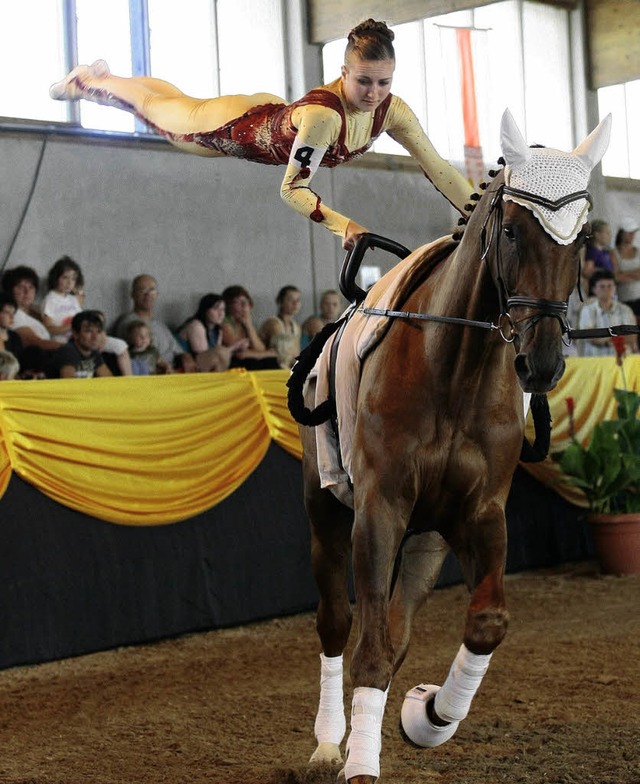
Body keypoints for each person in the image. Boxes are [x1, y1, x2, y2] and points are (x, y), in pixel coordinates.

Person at [49, 19, 472, 251]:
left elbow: (437, 168)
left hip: (270, 115)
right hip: (229, 128)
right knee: (155, 110)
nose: (373, 94)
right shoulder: (325, 119)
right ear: (344, 73)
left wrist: (480, 209)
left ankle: (110, 75)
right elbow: (293, 190)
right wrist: (344, 226)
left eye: (384, 83)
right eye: (364, 81)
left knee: (173, 100)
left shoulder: (392, 109)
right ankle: (85, 82)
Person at [115, 274, 198, 372]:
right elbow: (134, 359)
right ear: (133, 294)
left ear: (157, 294)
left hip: (176, 369)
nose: (148, 294)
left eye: (152, 290)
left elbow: (177, 350)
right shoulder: (128, 323)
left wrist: (186, 357)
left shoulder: (160, 324)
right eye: (143, 290)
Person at [1, 265, 61, 374]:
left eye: (31, 287)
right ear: (10, 290)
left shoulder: (35, 312)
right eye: (20, 287)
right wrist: (69, 348)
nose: (27, 292)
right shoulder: (14, 315)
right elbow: (32, 342)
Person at [175, 293, 247, 372]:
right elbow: (208, 355)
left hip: (204, 364)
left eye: (223, 309)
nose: (221, 314)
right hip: (183, 364)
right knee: (221, 353)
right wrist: (234, 347)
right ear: (205, 310)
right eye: (216, 309)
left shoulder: (217, 330)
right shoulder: (196, 326)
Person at [577, 269, 638, 357]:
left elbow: (632, 337)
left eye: (610, 286)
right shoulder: (587, 310)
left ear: (615, 288)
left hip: (622, 361)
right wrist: (616, 339)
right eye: (602, 286)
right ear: (594, 289)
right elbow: (589, 336)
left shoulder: (625, 310)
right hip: (596, 363)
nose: (607, 289)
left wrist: (604, 340)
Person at [221, 285, 279, 370]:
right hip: (230, 362)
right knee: (255, 362)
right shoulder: (224, 322)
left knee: (270, 361)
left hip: (245, 360)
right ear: (227, 306)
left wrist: (249, 325)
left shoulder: (245, 323)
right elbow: (239, 353)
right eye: (237, 302)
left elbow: (260, 349)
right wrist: (269, 353)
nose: (244, 306)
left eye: (246, 301)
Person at [49, 310, 113, 378]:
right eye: (89, 331)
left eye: (99, 331)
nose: (95, 337)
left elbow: (109, 379)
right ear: (75, 334)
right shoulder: (68, 351)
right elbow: (69, 384)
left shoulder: (93, 352)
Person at [41, 255, 83, 343]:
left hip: (79, 340)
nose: (69, 282)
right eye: (65, 277)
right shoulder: (50, 299)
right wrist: (72, 326)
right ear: (56, 278)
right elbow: (48, 329)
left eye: (73, 279)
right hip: (62, 343)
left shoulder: (73, 299)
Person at [259, 285, 302, 369]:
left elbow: (296, 353)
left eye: (298, 300)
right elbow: (282, 354)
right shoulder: (273, 323)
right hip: (274, 368)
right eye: (290, 300)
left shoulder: (296, 327)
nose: (295, 303)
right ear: (280, 302)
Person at [614, 219, 640, 322]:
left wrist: (623, 274)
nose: (632, 235)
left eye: (633, 233)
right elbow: (615, 278)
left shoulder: (638, 251)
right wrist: (635, 273)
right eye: (629, 233)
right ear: (621, 233)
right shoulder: (614, 252)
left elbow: (619, 276)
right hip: (624, 299)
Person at [583, 219, 619, 289]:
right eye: (607, 233)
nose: (610, 236)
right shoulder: (592, 252)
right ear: (597, 234)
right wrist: (603, 271)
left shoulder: (605, 252)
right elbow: (586, 272)